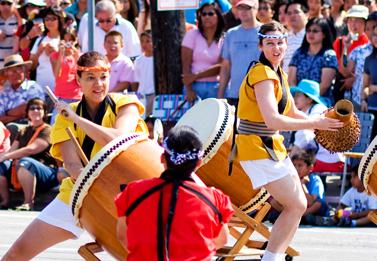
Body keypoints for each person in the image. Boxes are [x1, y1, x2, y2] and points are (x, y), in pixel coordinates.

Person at [1, 51, 148, 260]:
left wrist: (78, 120)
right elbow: (71, 163)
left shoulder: (125, 103)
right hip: (79, 193)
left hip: (128, 193)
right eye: (90, 78)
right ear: (78, 80)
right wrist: (94, 190)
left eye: (103, 77)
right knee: (16, 254)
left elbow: (118, 139)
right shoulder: (66, 114)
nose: (99, 84)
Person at [235, 21, 343, 260]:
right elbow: (273, 120)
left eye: (280, 43)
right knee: (295, 205)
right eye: (270, 43)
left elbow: (292, 112)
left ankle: (272, 256)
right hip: (256, 147)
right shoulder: (261, 73)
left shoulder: (278, 71)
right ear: (261, 45)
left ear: (286, 44)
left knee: (298, 204)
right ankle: (271, 258)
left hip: (270, 147)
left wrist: (323, 125)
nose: (276, 48)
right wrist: (316, 123)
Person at [114, 125, 234, 260]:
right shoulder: (215, 199)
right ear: (199, 163)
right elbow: (222, 240)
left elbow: (123, 236)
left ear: (162, 158)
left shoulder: (133, 192)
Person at [0, 98, 60, 211]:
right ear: (27, 112)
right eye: (32, 108)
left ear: (44, 112)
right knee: (2, 166)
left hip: (47, 172)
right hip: (22, 169)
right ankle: (4, 202)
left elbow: (31, 149)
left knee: (25, 162)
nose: (35, 110)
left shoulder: (47, 130)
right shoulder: (23, 130)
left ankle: (28, 203)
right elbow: (11, 152)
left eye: (39, 108)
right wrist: (4, 157)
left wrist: (5, 156)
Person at [217, 0, 261, 106]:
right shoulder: (231, 34)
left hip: (260, 94)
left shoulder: (265, 32)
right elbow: (226, 66)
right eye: (240, 8)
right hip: (235, 95)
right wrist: (220, 95)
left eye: (247, 7)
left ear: (256, 9)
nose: (243, 11)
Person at [269, 151, 329, 225]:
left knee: (320, 203)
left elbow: (310, 202)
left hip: (309, 209)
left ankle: (298, 217)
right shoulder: (290, 178)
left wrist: (302, 184)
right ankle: (292, 216)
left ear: (310, 168)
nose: (296, 168)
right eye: (294, 165)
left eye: (300, 165)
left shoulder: (315, 179)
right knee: (272, 202)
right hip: (294, 207)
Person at [181, 1, 225, 102]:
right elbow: (185, 65)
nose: (206, 17)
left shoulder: (225, 39)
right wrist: (189, 89)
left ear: (218, 15)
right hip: (194, 87)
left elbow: (221, 67)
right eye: (203, 14)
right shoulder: (192, 35)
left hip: (216, 87)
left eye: (210, 13)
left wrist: (195, 76)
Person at [288, 17, 338, 106]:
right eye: (308, 30)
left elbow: (325, 85)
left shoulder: (329, 55)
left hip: (320, 102)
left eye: (315, 31)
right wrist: (298, 100)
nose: (310, 33)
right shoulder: (299, 53)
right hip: (297, 102)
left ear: (324, 34)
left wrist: (307, 101)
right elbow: (291, 80)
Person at [0, 54, 44, 140]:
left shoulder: (33, 86)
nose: (15, 73)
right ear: (6, 74)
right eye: (11, 71)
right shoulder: (4, 92)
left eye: (18, 69)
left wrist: (7, 113)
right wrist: (18, 114)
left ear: (24, 71)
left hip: (30, 125)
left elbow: (29, 109)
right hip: (6, 126)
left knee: (11, 128)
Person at [49, 28, 82, 124]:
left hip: (77, 96)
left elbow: (80, 78)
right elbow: (56, 74)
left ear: (75, 40)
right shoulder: (54, 56)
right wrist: (61, 55)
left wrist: (76, 56)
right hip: (61, 96)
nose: (68, 43)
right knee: (56, 124)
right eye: (65, 40)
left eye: (70, 40)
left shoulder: (79, 55)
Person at [30, 7, 65, 92]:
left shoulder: (65, 39)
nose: (50, 22)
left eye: (53, 19)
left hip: (62, 90)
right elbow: (31, 66)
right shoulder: (39, 40)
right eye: (47, 19)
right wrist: (39, 51)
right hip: (41, 89)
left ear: (59, 20)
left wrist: (56, 53)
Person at [348, 12, 377, 113]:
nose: (371, 32)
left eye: (374, 27)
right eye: (367, 29)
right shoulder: (359, 51)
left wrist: (373, 88)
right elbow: (347, 72)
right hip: (360, 102)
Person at [133, 30, 155, 116]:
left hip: (153, 94)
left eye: (148, 41)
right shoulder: (138, 60)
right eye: (142, 41)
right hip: (141, 95)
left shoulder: (158, 60)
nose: (144, 44)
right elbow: (136, 80)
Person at [282, 0, 308, 73]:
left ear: (307, 14)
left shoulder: (311, 36)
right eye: (289, 13)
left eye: (296, 12)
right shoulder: (284, 38)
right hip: (285, 82)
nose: (292, 15)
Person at [362, 25, 377, 139]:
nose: (376, 38)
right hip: (372, 109)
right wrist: (363, 100)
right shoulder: (369, 59)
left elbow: (371, 87)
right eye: (375, 35)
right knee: (370, 149)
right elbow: (365, 86)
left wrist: (374, 88)